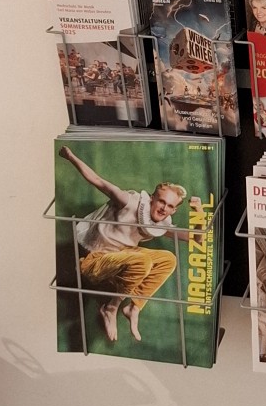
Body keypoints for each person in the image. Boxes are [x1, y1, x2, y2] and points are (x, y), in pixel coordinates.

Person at [59, 144, 189, 345]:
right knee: (142, 261)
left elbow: (195, 238)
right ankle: (111, 308)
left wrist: (200, 214)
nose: (164, 208)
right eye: (161, 201)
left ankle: (133, 308)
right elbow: (98, 181)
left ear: (173, 211)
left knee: (168, 259)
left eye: (170, 206)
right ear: (152, 199)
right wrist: (70, 156)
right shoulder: (129, 202)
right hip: (94, 260)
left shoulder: (160, 224)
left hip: (122, 260)